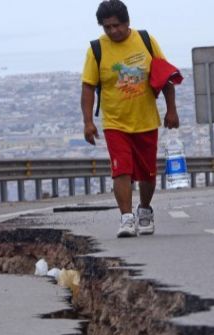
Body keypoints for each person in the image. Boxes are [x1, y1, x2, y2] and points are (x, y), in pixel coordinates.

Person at [81, 0, 179, 237]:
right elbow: (88, 87)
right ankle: (126, 217)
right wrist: (88, 122)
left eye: (117, 25)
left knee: (147, 173)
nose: (113, 31)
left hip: (145, 120)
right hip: (115, 122)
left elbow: (164, 75)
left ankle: (144, 210)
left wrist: (172, 110)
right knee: (121, 169)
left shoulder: (145, 40)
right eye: (107, 27)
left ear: (127, 23)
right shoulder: (97, 49)